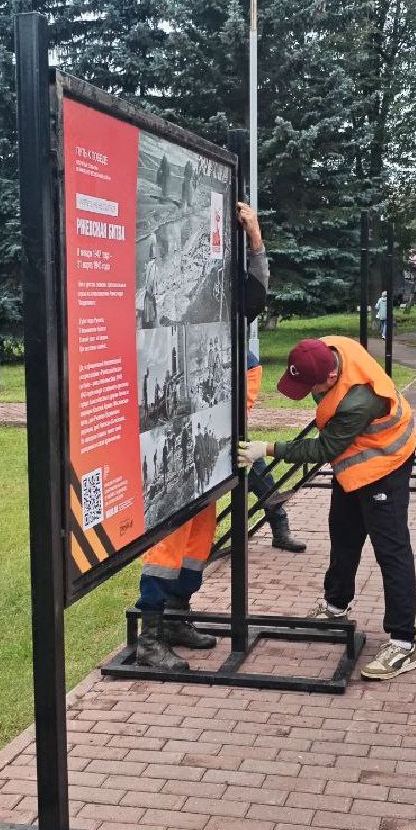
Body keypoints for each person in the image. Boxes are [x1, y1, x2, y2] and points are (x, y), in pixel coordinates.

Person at [133, 202, 304, 672]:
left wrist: (255, 238)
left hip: (211, 423)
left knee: (200, 528)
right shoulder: (165, 288)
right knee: (170, 534)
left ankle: (176, 616)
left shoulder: (220, 295)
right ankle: (150, 633)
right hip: (175, 425)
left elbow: (256, 295)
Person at [239, 334, 416, 681]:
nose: (307, 392)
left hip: (385, 461)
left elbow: (323, 450)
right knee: (344, 531)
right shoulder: (325, 348)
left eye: (310, 386)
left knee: (391, 550)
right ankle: (336, 604)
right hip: (355, 461)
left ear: (332, 377)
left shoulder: (358, 401)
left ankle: (402, 642)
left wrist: (267, 448)